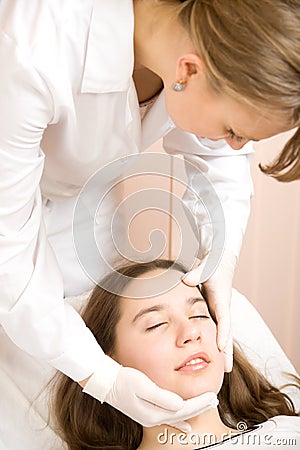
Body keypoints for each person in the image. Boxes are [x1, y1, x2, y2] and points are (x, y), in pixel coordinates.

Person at [0, 0, 299, 429]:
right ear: (188, 71)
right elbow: (9, 252)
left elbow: (219, 165)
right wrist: (99, 377)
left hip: (76, 199)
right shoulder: (35, 43)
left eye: (198, 312)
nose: (194, 332)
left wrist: (223, 256)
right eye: (234, 131)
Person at [52, 259, 300, 450]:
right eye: (157, 324)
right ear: (106, 360)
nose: (191, 332)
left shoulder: (289, 433)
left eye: (199, 315)